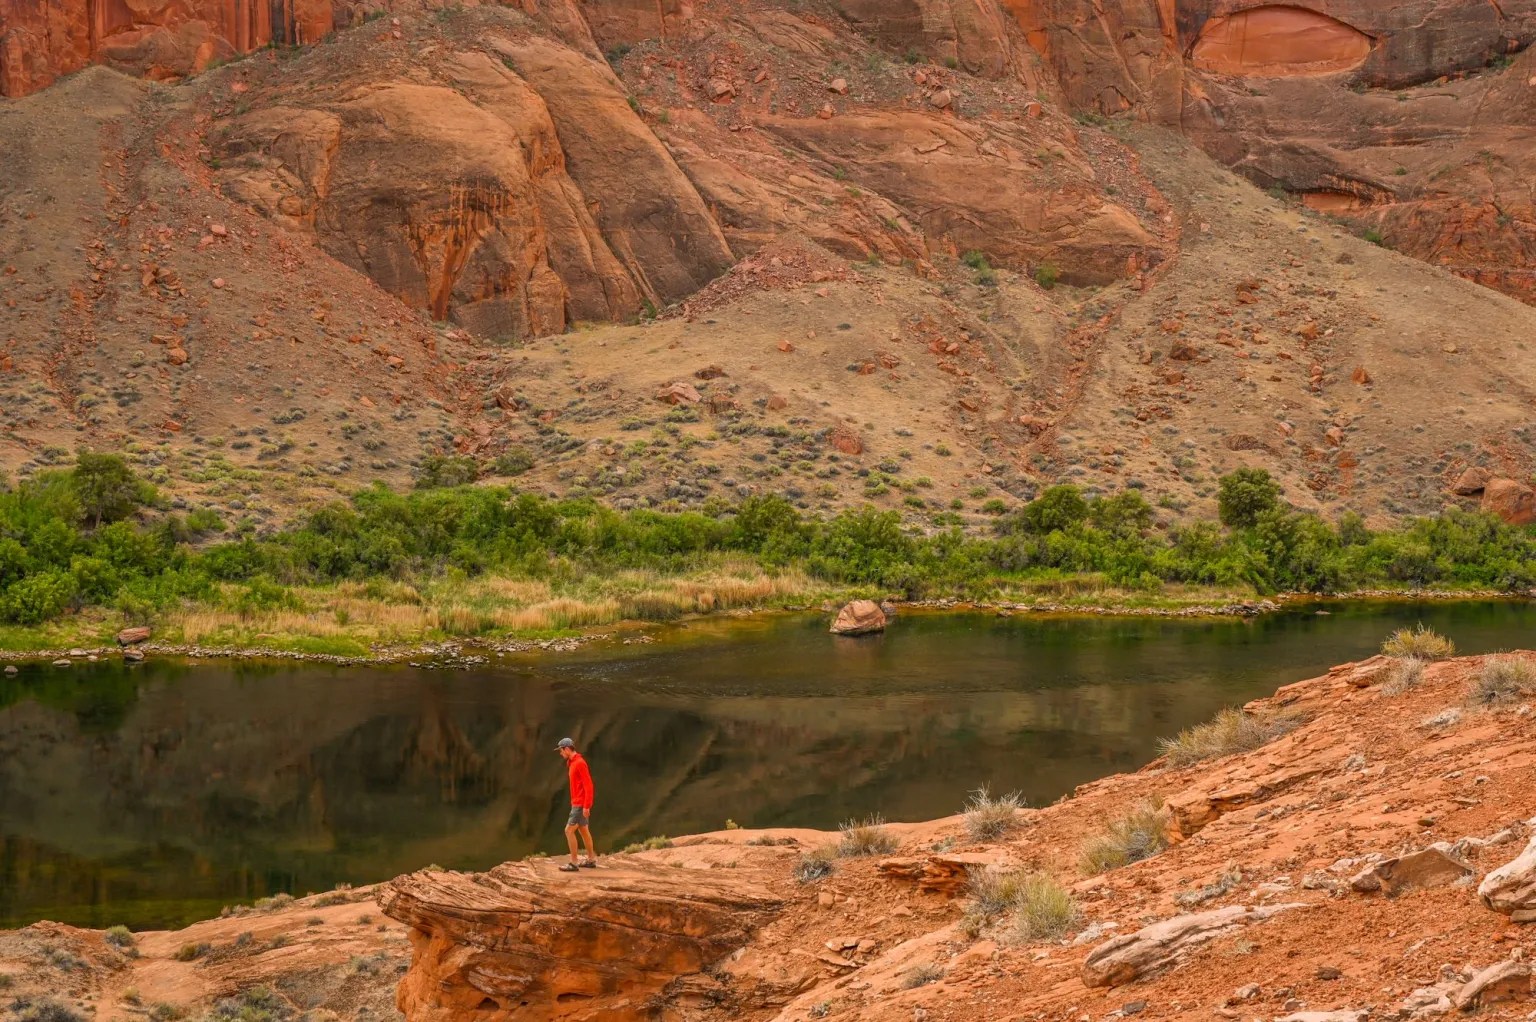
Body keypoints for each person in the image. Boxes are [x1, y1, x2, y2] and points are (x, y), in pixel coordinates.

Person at [556, 738, 597, 871]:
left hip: (580, 804)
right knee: (583, 830)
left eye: (561, 750)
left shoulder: (579, 763)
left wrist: (586, 806)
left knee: (568, 831)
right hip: (578, 803)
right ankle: (591, 860)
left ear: (567, 749)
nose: (560, 753)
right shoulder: (572, 762)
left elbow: (588, 785)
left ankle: (574, 863)